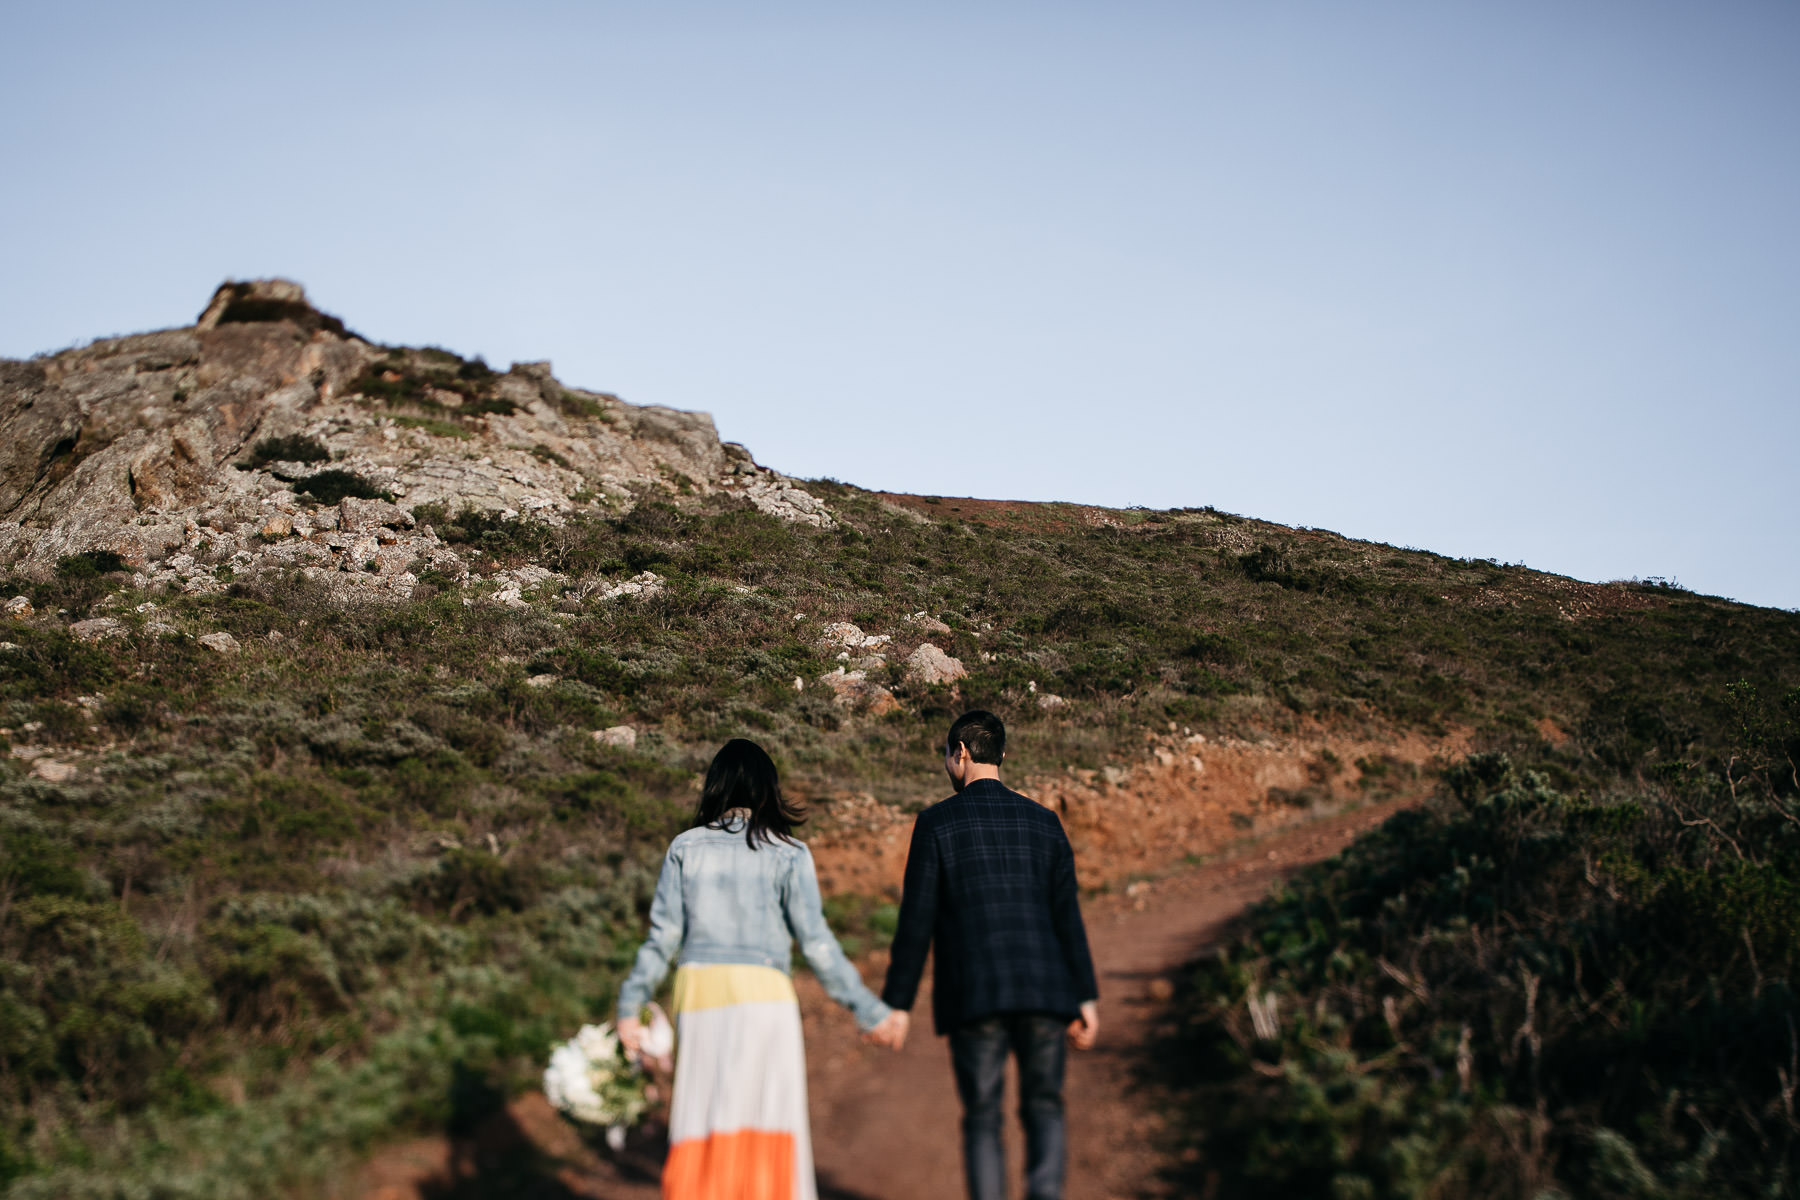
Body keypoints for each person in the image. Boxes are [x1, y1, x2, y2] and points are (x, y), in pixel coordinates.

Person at [616, 738, 907, 1200]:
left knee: (702, 1121)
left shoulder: (685, 848)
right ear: (768, 790)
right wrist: (869, 1011)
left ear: (715, 787)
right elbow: (817, 944)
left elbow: (662, 938)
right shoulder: (788, 852)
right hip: (766, 1000)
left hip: (701, 995)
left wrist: (630, 1006)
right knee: (769, 1119)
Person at [877, 709, 1100, 1200]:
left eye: (946, 758)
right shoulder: (1046, 823)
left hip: (974, 992)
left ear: (960, 754)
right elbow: (1067, 918)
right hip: (1045, 990)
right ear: (1001, 755)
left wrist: (897, 1003)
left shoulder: (935, 823)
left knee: (983, 1117)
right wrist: (1085, 997)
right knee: (1044, 1106)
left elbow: (917, 921)